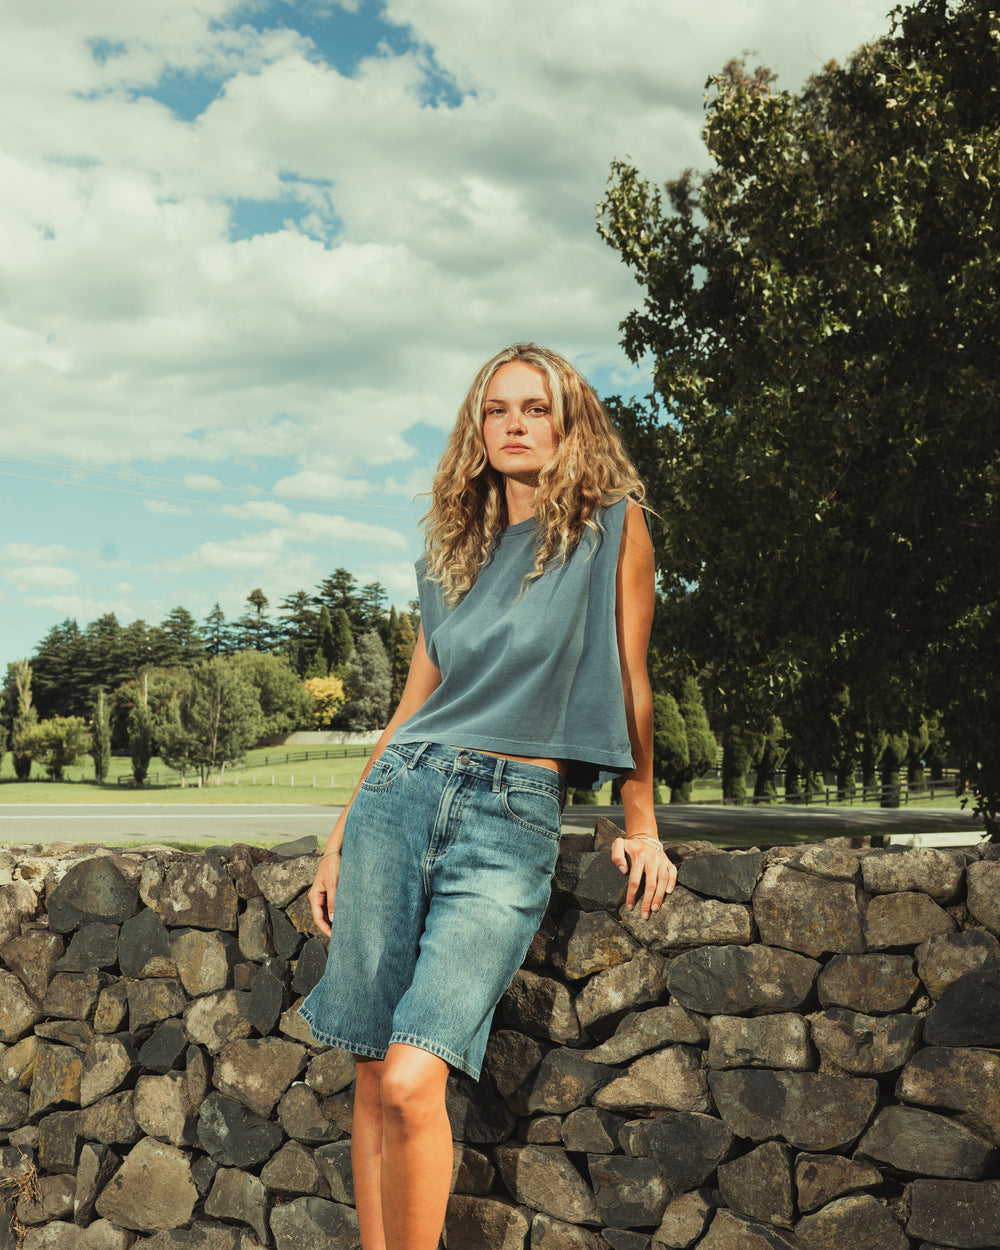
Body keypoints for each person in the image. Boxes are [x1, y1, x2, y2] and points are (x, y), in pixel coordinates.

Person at [302, 343, 676, 1250]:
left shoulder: (614, 529)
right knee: (366, 1072)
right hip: (401, 795)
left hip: (510, 814)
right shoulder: (450, 554)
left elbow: (632, 680)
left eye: (535, 408)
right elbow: (411, 706)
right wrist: (339, 837)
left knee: (408, 1078)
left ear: (568, 422)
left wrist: (642, 823)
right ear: (478, 430)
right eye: (498, 409)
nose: (515, 424)